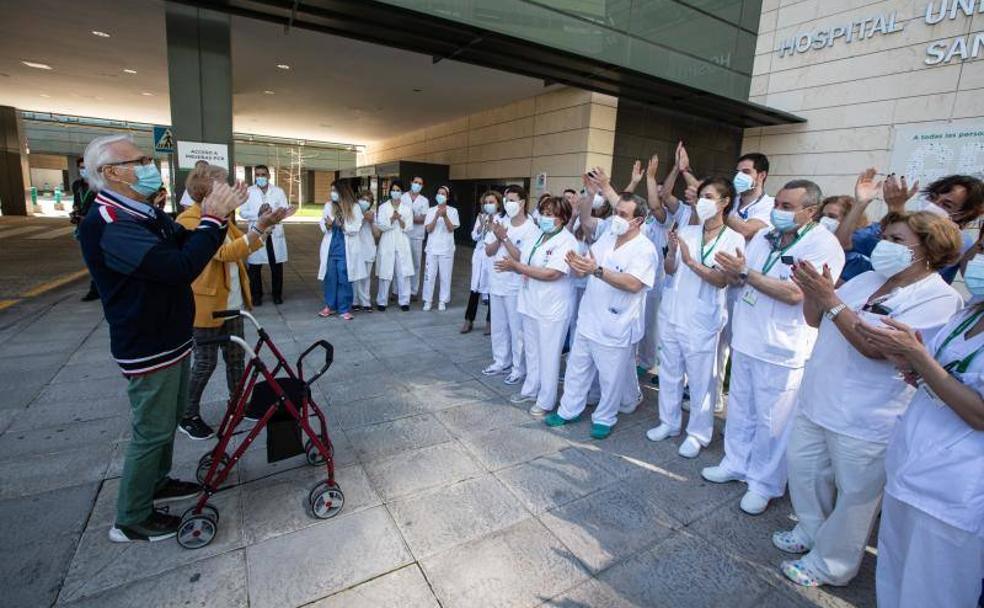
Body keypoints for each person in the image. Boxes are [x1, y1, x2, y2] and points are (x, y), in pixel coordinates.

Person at [774, 211, 963, 588]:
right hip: (819, 397)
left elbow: (875, 348)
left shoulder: (939, 299)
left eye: (897, 240)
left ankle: (832, 563)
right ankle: (812, 531)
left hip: (867, 415)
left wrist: (831, 301)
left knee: (856, 496)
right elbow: (817, 319)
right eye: (885, 236)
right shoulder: (866, 279)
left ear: (928, 249)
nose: (884, 246)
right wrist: (816, 294)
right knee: (805, 471)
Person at [78, 134, 244, 542]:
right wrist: (211, 219)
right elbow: (178, 266)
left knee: (165, 423)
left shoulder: (138, 212)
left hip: (169, 337)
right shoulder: (110, 224)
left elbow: (183, 242)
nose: (149, 165)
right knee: (150, 431)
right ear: (113, 172)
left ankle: (158, 483)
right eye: (140, 160)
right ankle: (132, 517)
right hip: (147, 344)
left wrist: (212, 217)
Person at [705, 179, 845, 515]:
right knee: (741, 408)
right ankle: (735, 462)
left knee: (773, 420)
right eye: (778, 204)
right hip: (749, 336)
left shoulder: (822, 245)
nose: (778, 211)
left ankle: (765, 483)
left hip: (783, 346)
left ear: (811, 211)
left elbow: (795, 294)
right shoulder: (766, 237)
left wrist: (745, 273)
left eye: (787, 207)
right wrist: (735, 272)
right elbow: (743, 273)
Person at [857, 277, 983, 608]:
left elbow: (980, 416)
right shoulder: (968, 314)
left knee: (932, 591)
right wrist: (910, 361)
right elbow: (942, 377)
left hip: (955, 490)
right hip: (911, 463)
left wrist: (921, 359)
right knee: (893, 576)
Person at [176, 165, 286, 440]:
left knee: (237, 359)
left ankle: (239, 404)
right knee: (205, 363)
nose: (230, 188)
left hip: (233, 303)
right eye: (223, 184)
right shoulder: (190, 219)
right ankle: (187, 414)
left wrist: (265, 226)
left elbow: (246, 246)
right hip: (208, 306)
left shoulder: (224, 219)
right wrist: (261, 226)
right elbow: (224, 253)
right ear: (208, 189)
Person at [545, 193, 656, 439]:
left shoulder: (644, 249)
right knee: (576, 368)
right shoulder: (608, 237)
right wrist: (578, 264)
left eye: (623, 215)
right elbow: (589, 263)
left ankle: (605, 417)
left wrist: (596, 270)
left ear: (638, 221)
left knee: (610, 377)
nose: (616, 217)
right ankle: (568, 410)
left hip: (617, 323)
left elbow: (633, 283)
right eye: (616, 211)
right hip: (589, 317)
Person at [647, 177, 745, 458]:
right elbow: (670, 269)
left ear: (724, 202)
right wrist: (673, 252)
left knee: (702, 380)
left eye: (709, 196)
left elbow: (722, 280)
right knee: (669, 372)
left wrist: (691, 261)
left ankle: (698, 433)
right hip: (674, 312)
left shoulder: (734, 239)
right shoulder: (687, 231)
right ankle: (669, 422)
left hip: (703, 318)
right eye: (700, 195)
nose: (702, 201)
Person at [497, 195, 578, 416]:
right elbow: (524, 260)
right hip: (531, 302)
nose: (544, 217)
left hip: (552, 307)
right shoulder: (538, 235)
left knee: (549, 355)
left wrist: (517, 267)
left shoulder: (567, 241)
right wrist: (512, 264)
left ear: (562, 218)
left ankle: (546, 400)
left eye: (550, 214)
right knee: (531, 350)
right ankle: (531, 388)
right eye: (543, 213)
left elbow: (552, 273)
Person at [837, 169, 984, 283]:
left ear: (963, 214)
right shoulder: (905, 220)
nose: (933, 205)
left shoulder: (959, 241)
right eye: (932, 197)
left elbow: (906, 272)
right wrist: (860, 203)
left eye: (947, 204)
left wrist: (895, 210)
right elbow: (841, 244)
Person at [483, 185, 538, 385]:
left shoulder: (531, 228)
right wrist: (498, 237)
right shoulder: (499, 221)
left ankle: (518, 367)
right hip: (496, 283)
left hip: (515, 286)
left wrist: (505, 237)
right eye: (506, 200)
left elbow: (522, 258)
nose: (508, 204)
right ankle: (500, 361)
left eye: (512, 200)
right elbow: (488, 251)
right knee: (498, 326)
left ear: (522, 202)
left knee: (517, 329)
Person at [240, 165, 293, 306]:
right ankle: (256, 296)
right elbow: (242, 212)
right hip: (257, 231)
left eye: (263, 174)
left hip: (274, 231)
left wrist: (272, 214)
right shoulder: (249, 191)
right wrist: (258, 214)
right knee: (255, 267)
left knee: (276, 266)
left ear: (269, 176)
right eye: (258, 175)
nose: (261, 177)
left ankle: (277, 295)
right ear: (255, 176)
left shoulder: (278, 191)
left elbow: (284, 209)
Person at [318, 181, 366, 320]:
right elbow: (322, 223)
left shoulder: (354, 207)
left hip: (346, 250)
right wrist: (327, 225)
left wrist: (342, 225)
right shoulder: (328, 205)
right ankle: (330, 306)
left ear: (342, 191)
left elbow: (356, 227)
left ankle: (344, 308)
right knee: (330, 277)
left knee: (344, 278)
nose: (332, 193)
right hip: (331, 247)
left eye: (335, 190)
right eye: (331, 190)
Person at [462, 191, 498, 334]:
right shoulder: (481, 217)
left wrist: (492, 229)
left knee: (491, 289)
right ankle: (468, 320)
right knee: (475, 288)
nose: (488, 205)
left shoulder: (501, 218)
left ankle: (490, 322)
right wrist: (480, 226)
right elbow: (474, 236)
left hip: (493, 256)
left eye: (492, 202)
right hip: (479, 255)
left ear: (498, 204)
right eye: (486, 202)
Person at [376, 180, 415, 311]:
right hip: (387, 241)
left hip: (402, 241)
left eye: (398, 190)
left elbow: (409, 227)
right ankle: (382, 301)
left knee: (403, 272)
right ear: (389, 191)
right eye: (393, 190)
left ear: (402, 192)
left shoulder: (407, 209)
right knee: (385, 272)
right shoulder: (383, 207)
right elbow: (381, 225)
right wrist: (392, 219)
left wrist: (399, 219)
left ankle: (404, 301)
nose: (395, 192)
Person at [422, 185, 460, 311]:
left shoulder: (453, 211)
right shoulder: (431, 210)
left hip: (446, 249)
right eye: (439, 193)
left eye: (443, 194)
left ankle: (442, 301)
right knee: (429, 276)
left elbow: (451, 229)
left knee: (445, 276)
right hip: (432, 248)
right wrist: (436, 216)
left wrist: (444, 216)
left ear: (447, 197)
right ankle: (428, 300)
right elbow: (428, 229)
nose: (440, 195)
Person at [70, 156, 99, 301]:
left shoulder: (99, 186)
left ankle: (97, 287)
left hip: (96, 226)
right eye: (81, 168)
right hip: (82, 226)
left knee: (98, 256)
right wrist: (76, 211)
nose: (84, 170)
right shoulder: (77, 185)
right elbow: (76, 201)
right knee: (89, 257)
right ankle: (96, 287)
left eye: (86, 167)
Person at [402, 175, 430, 299]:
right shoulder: (402, 197)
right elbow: (399, 215)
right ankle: (398, 290)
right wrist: (414, 217)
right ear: (411, 182)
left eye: (420, 183)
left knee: (416, 264)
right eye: (415, 182)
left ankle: (413, 291)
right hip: (403, 234)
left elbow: (424, 219)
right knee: (401, 262)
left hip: (417, 236)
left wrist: (409, 217)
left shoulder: (424, 200)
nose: (417, 185)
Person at [353, 189, 379, 312]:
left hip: (368, 247)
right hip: (356, 247)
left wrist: (372, 221)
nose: (365, 202)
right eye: (363, 199)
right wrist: (363, 218)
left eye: (368, 200)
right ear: (358, 200)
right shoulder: (353, 211)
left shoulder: (373, 214)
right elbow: (352, 229)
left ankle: (366, 301)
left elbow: (377, 234)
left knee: (366, 277)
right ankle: (354, 301)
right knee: (355, 276)